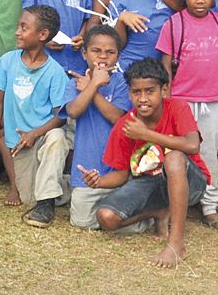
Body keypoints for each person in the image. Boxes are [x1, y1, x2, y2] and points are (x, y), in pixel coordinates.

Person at [78, 59, 210, 268]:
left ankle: (176, 244)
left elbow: (192, 145)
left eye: (150, 91)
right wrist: (99, 181)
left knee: (174, 158)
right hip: (150, 184)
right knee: (106, 217)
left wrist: (146, 134)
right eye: (136, 92)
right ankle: (158, 213)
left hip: (191, 183)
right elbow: (121, 174)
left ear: (164, 90)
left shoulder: (177, 107)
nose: (143, 99)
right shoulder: (125, 126)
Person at [155, 0, 218, 229]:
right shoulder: (174, 24)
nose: (200, 0)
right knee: (175, 153)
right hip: (180, 101)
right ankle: (172, 206)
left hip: (214, 100)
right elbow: (165, 67)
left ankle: (210, 207)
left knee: (209, 154)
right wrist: (166, 101)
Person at [0, 6, 75, 227]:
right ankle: (67, 186)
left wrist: (34, 134)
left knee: (57, 137)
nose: (17, 32)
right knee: (29, 198)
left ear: (42, 34)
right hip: (20, 144)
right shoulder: (7, 61)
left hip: (44, 137)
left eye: (24, 28)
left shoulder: (55, 72)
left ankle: (47, 204)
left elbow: (61, 117)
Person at [66, 25, 132, 230]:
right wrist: (93, 84)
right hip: (85, 175)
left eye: (110, 52)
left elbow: (116, 117)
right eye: (96, 50)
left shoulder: (122, 83)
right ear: (84, 53)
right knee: (81, 223)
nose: (103, 56)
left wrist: (91, 88)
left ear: (118, 56)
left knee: (123, 220)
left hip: (117, 174)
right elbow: (73, 111)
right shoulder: (75, 82)